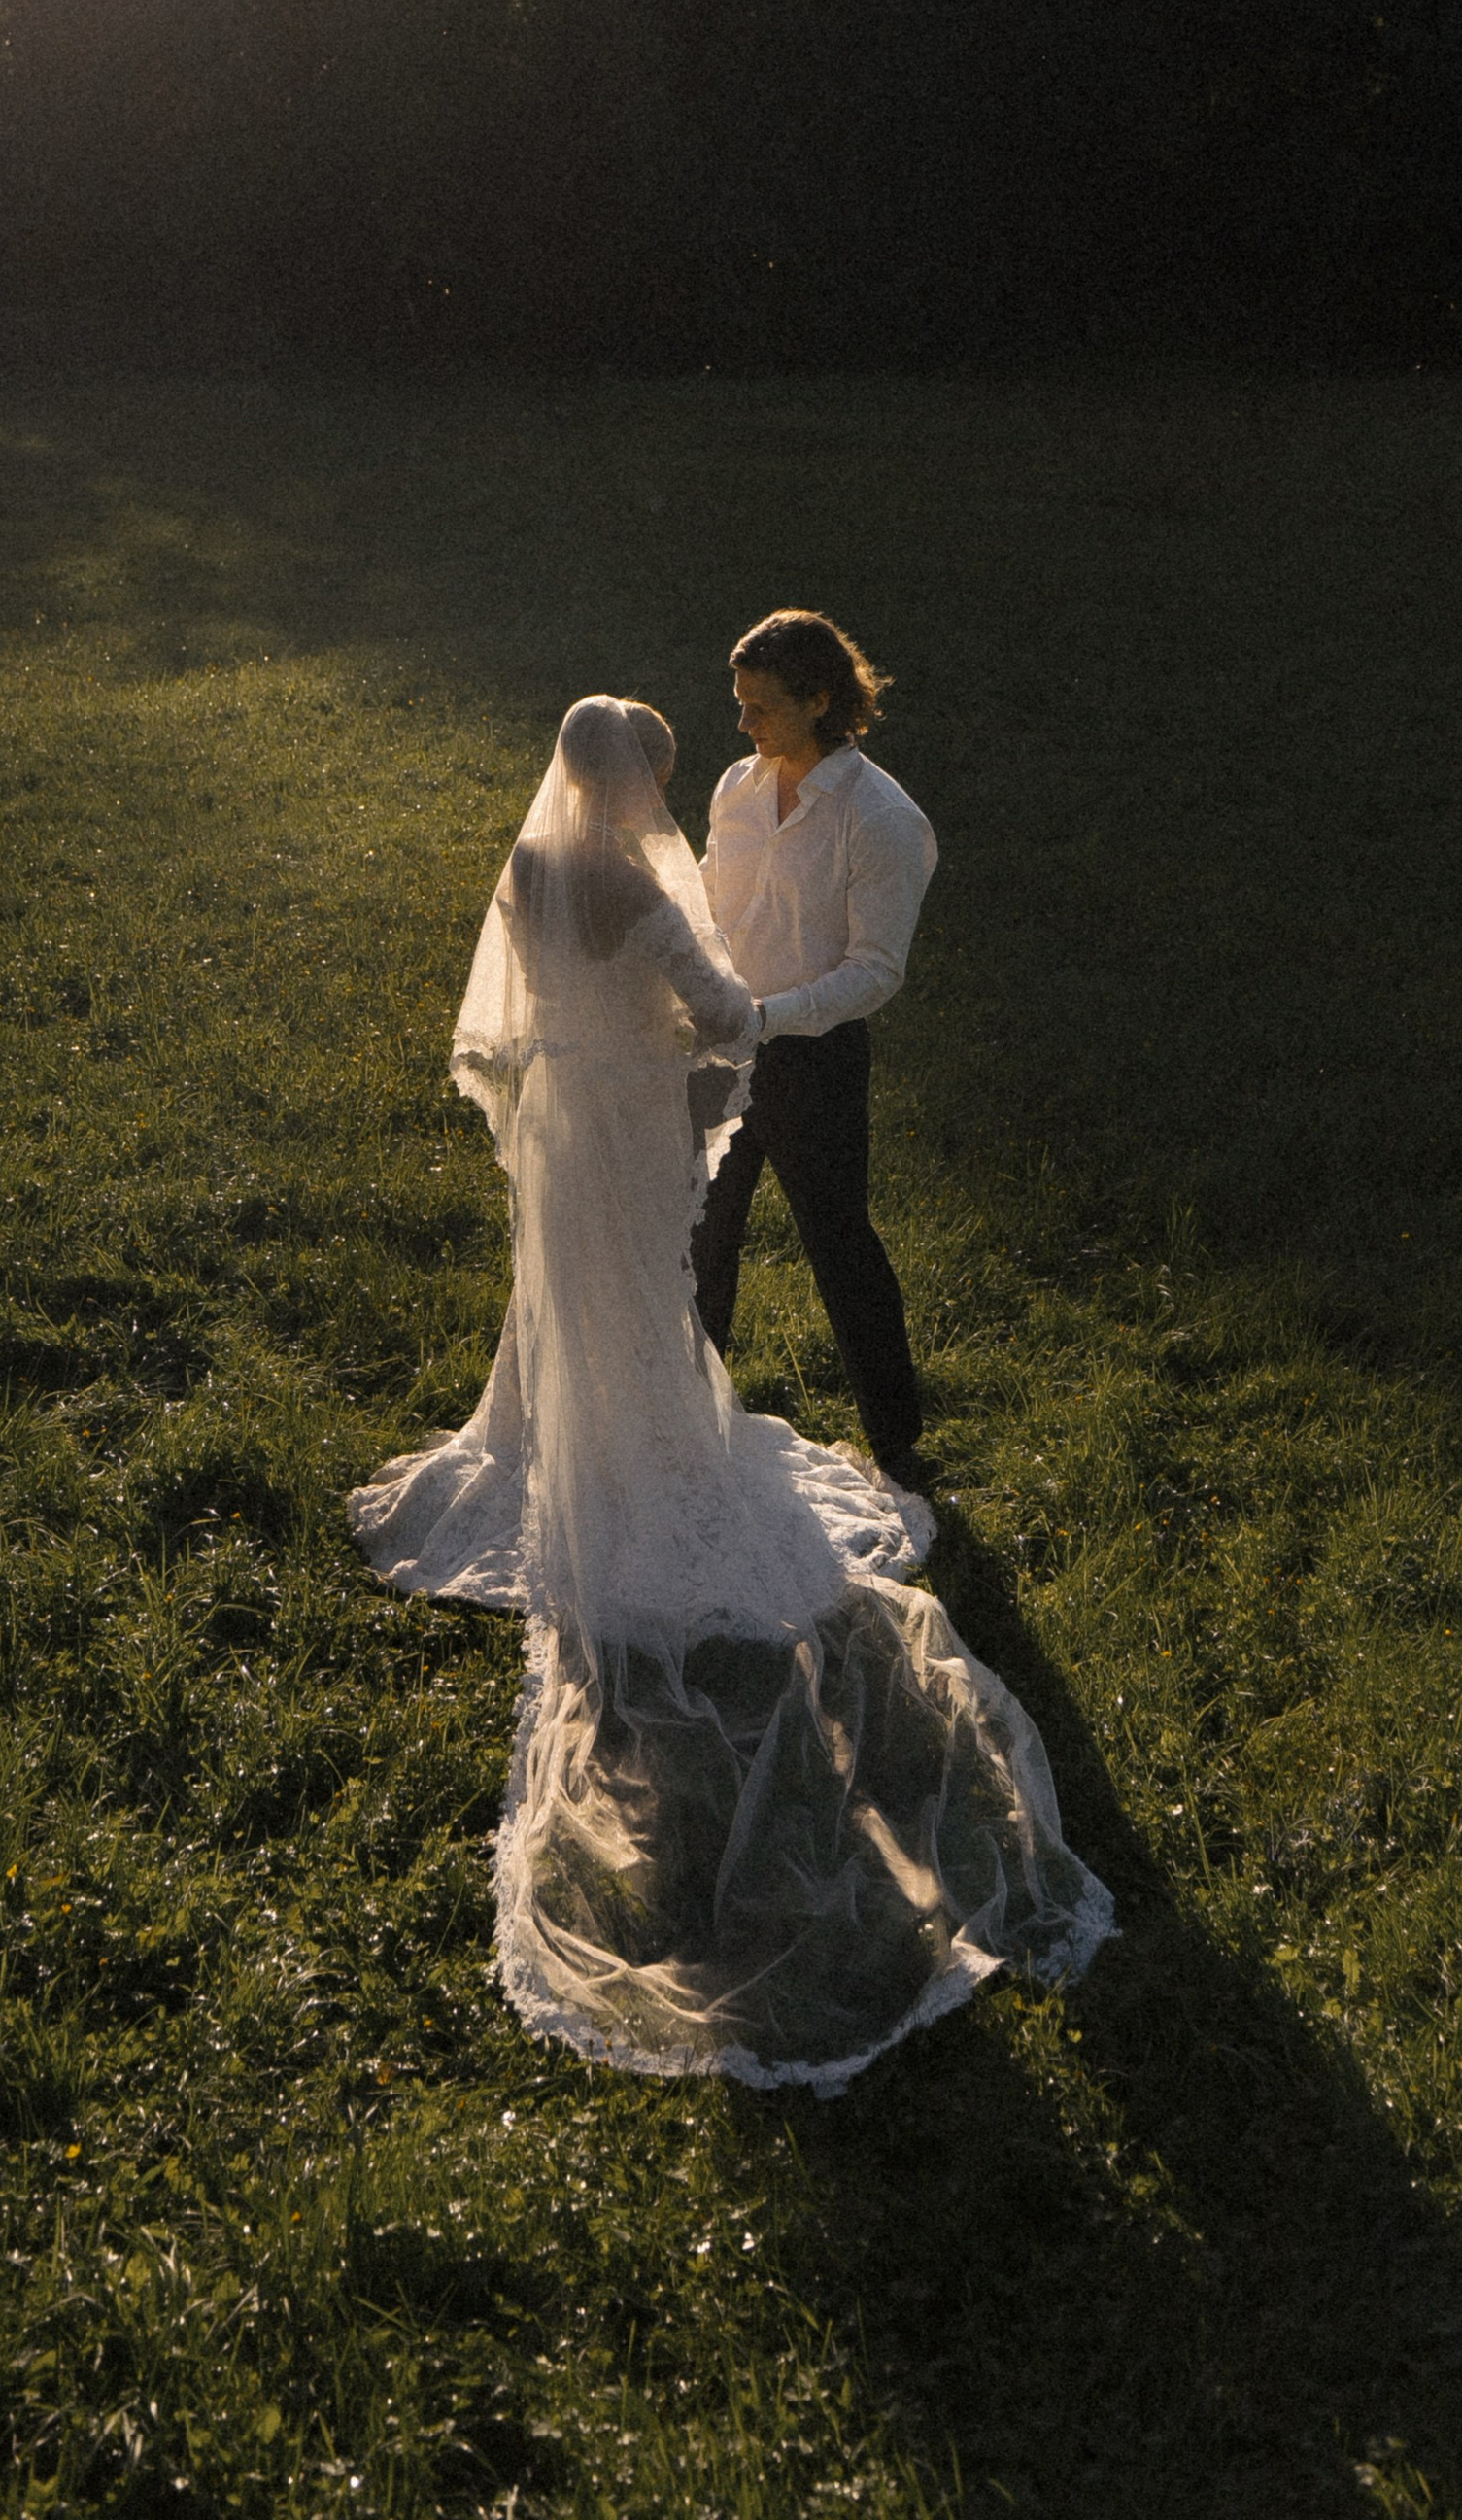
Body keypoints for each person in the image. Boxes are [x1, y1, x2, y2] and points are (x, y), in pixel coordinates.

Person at [349, 695, 1109, 2090]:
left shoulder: (526, 869)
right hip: (631, 1121)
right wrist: (749, 1022)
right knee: (644, 1303)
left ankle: (552, 1443)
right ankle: (646, 1456)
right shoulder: (641, 891)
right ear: (633, 778)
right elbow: (717, 1015)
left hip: (563, 1121)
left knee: (563, 1305)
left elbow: (526, 1002)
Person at [691, 610, 937, 1488]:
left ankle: (897, 1436)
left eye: (761, 707)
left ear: (821, 701)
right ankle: (690, 1418)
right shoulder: (736, 787)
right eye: (740, 703)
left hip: (815, 1062)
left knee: (839, 1241)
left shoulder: (880, 820)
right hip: (721, 1051)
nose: (744, 724)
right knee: (702, 1238)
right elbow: (712, 912)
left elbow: (874, 971)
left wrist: (770, 1015)